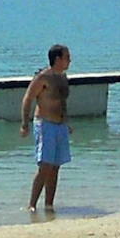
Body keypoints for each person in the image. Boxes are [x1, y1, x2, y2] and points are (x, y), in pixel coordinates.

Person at [20, 44, 72, 213]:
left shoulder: (63, 77)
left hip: (60, 125)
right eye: (67, 57)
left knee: (56, 166)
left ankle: (49, 204)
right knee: (45, 166)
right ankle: (32, 204)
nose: (70, 60)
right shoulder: (43, 78)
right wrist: (25, 124)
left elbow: (62, 102)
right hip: (45, 124)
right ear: (57, 59)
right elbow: (28, 98)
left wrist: (67, 122)